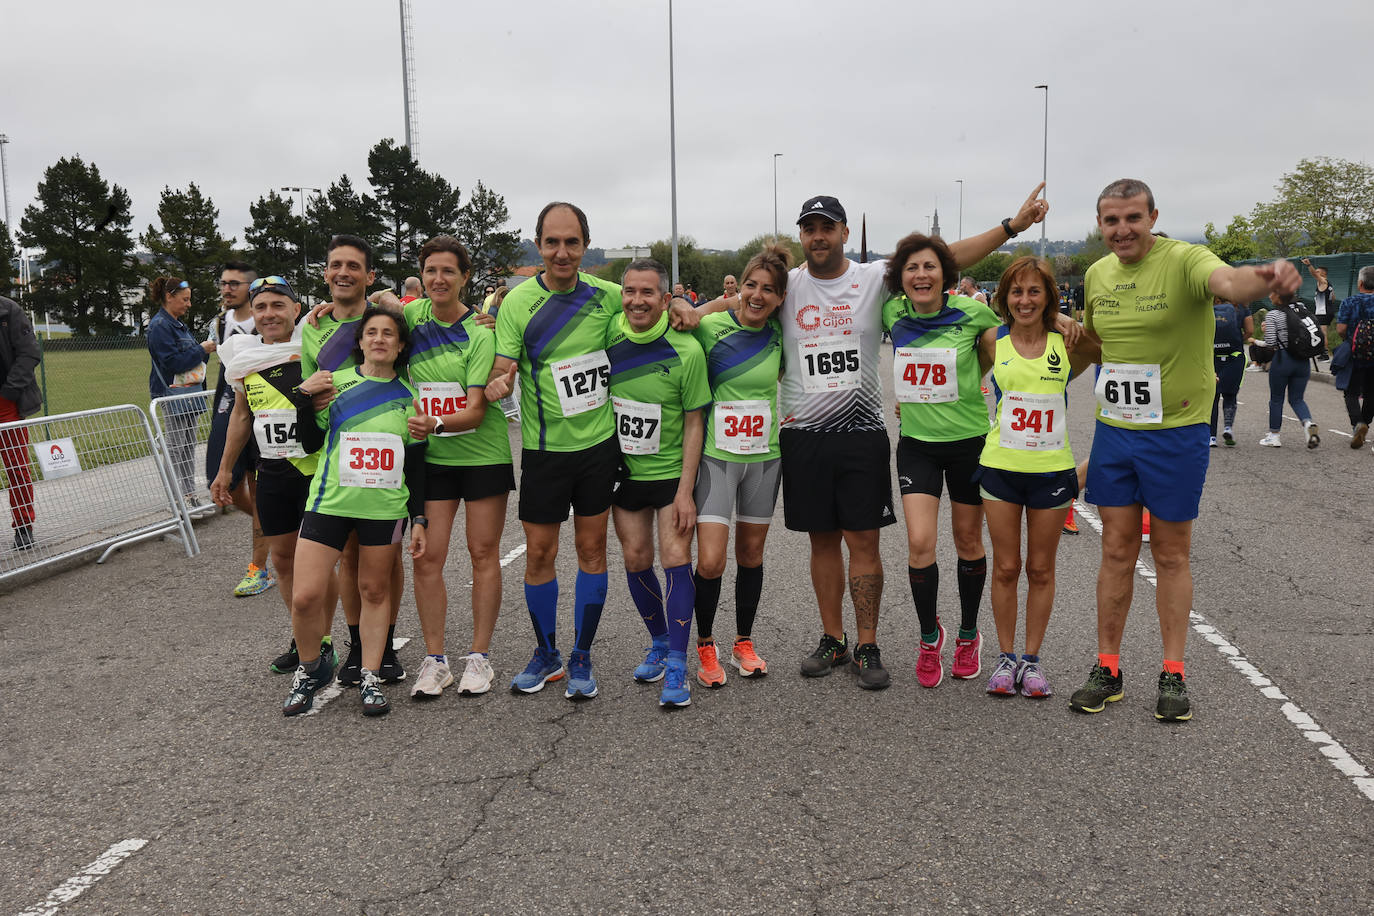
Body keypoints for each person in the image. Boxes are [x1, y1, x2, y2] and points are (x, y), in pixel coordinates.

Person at [697, 186, 1050, 690]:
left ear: (843, 233)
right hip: (804, 434)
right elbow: (740, 301)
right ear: (802, 236)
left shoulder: (872, 279)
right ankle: (832, 638)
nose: (819, 237)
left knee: (863, 541)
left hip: (861, 433)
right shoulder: (788, 284)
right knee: (822, 541)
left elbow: (944, 258)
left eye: (827, 228)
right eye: (810, 229)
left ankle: (867, 644)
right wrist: (691, 310)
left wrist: (1010, 228)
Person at [1072, 178, 1299, 723]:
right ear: (1100, 225)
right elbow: (1095, 342)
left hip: (1175, 431)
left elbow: (1228, 280)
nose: (1121, 230)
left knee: (1171, 554)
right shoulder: (1096, 274)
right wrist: (1040, 379)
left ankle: (1173, 673)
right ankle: (1108, 667)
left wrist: (1264, 277)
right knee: (1116, 551)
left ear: (1152, 216)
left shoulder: (1185, 259)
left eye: (1132, 218)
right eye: (1110, 221)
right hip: (1116, 429)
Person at [487, 202, 694, 700]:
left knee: (591, 552)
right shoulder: (517, 303)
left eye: (572, 242)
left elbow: (651, 312)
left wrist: (687, 305)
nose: (562, 252)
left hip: (599, 450)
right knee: (539, 553)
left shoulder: (607, 296)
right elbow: (500, 365)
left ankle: (582, 656)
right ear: (539, 244)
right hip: (543, 451)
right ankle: (546, 654)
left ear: (584, 245)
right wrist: (497, 383)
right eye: (552, 242)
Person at [883, 234, 1016, 689]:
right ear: (901, 278)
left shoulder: (974, 311)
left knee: (967, 541)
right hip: (918, 444)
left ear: (946, 275)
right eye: (912, 268)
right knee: (920, 542)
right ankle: (927, 637)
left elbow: (1006, 357)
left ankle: (966, 635)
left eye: (931, 267)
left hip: (969, 443)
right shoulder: (893, 313)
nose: (921, 275)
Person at [283, 307, 426, 717]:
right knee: (306, 597)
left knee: (374, 591)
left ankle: (370, 674)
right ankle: (311, 669)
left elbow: (416, 465)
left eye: (388, 334)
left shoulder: (410, 398)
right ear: (360, 341)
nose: (379, 339)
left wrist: (419, 519)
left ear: (399, 346)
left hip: (383, 510)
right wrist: (303, 398)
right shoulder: (333, 384)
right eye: (371, 333)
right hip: (329, 503)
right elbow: (309, 442)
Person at [976, 257, 1095, 699]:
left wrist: (1067, 319)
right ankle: (1005, 659)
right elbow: (957, 378)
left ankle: (1031, 661)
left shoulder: (1067, 342)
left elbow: (1117, 354)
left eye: (1034, 292)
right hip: (1001, 468)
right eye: (1016, 292)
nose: (1024, 300)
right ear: (1004, 298)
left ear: (1049, 296)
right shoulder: (992, 339)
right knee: (1006, 567)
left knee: (1041, 568)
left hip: (1051, 470)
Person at [402, 235, 514, 699]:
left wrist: (436, 424)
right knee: (427, 556)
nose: (439, 279)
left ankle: (480, 658)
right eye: (431, 271)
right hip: (435, 460)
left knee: (483, 553)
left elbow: (474, 411)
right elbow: (366, 317)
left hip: (481, 454)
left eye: (448, 271)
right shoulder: (410, 317)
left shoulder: (481, 333)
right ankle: (434, 660)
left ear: (465, 277)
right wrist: (320, 311)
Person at [209, 277, 336, 673]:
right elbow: (242, 416)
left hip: (315, 472)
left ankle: (324, 637)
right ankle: (307, 639)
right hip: (273, 473)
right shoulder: (243, 358)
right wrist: (224, 469)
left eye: (278, 305)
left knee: (319, 564)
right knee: (282, 561)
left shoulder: (312, 349)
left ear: (295, 310)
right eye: (261, 307)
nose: (269, 314)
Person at [609, 258, 710, 707]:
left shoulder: (686, 350)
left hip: (670, 474)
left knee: (675, 558)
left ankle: (677, 663)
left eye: (648, 293)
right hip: (623, 475)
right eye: (630, 291)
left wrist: (686, 490)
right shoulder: (608, 334)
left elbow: (694, 423)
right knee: (635, 560)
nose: (637, 301)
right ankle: (658, 640)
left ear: (666, 299)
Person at [307, 235, 407, 685]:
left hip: (386, 463)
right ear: (326, 273)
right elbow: (312, 392)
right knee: (348, 558)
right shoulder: (311, 326)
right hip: (333, 466)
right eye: (335, 265)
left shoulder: (385, 315)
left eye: (353, 266)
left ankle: (383, 647)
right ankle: (355, 646)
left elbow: (421, 315)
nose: (343, 273)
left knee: (387, 559)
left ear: (368, 276)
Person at [690, 245, 788, 688]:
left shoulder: (781, 334)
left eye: (768, 290)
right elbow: (672, 324)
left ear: (780, 298)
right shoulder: (711, 327)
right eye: (750, 285)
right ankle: (705, 645)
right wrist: (684, 304)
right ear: (739, 288)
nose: (757, 295)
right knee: (710, 560)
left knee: (751, 555)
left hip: (764, 460)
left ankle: (743, 642)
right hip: (717, 458)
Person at [205, 260, 274, 598]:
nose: (226, 289)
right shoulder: (219, 322)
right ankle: (281, 522)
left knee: (259, 487)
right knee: (221, 483)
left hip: (262, 407)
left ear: (251, 288)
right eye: (223, 283)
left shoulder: (268, 321)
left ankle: (259, 567)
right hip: (229, 402)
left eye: (233, 283)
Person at [147, 276, 214, 502]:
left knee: (188, 447)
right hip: (171, 394)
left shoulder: (178, 324)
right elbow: (174, 363)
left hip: (188, 393)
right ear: (169, 297)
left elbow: (190, 358)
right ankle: (177, 501)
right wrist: (202, 348)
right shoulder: (160, 326)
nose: (189, 304)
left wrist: (206, 349)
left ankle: (189, 496)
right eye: (185, 299)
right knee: (176, 448)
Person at [0, 295, 41, 550]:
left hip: (7, 404)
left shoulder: (9, 310)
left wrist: (8, 392)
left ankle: (24, 527)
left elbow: (29, 353)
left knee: (17, 468)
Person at [1258, 292, 1320, 449]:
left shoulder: (1273, 315)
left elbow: (1271, 343)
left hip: (1283, 359)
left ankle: (1274, 436)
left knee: (1277, 399)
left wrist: (1265, 332)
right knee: (1297, 399)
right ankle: (1308, 424)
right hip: (1303, 361)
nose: (1270, 295)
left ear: (1279, 297)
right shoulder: (1303, 310)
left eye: (1272, 293)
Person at [1335, 265, 1374, 448]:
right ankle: (1365, 423)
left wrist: (1349, 340)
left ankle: (1357, 423)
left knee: (1351, 392)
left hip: (1355, 353)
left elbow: (1341, 328)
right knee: (1371, 393)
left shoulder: (1349, 302)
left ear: (1360, 283)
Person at [1210, 296, 1253, 447]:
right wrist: (1237, 340)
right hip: (1234, 357)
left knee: (1212, 398)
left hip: (1212, 357)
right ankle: (1228, 427)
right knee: (1230, 394)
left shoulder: (1209, 308)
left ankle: (1211, 437)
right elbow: (1250, 330)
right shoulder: (1241, 308)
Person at [1302, 258, 1337, 356]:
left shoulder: (1323, 282)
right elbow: (1333, 298)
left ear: (1323, 274)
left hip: (1323, 311)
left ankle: (1324, 353)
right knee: (1319, 331)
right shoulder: (1328, 284)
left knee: (1322, 332)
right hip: (1327, 310)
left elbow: (1313, 274)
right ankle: (1321, 350)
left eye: (1318, 272)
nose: (1316, 273)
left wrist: (1309, 265)